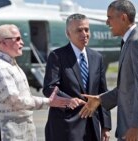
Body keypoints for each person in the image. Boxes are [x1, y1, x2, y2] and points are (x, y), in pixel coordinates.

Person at [79, 0, 138, 141]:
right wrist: (100, 99)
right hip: (135, 125)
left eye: (110, 17)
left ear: (123, 17)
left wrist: (136, 126)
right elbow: (128, 86)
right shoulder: (130, 41)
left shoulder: (137, 42)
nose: (107, 23)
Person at [0, 24, 70, 141]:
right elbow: (15, 100)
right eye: (17, 39)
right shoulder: (0, 67)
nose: (22, 43)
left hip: (17, 132)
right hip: (6, 133)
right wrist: (48, 102)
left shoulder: (10, 65)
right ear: (2, 43)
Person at [42, 13, 112, 141]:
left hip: (92, 126)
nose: (84, 34)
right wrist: (69, 100)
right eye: (79, 30)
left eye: (86, 29)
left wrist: (106, 127)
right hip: (66, 127)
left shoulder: (97, 58)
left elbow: (102, 93)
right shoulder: (57, 56)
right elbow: (49, 88)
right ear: (68, 34)